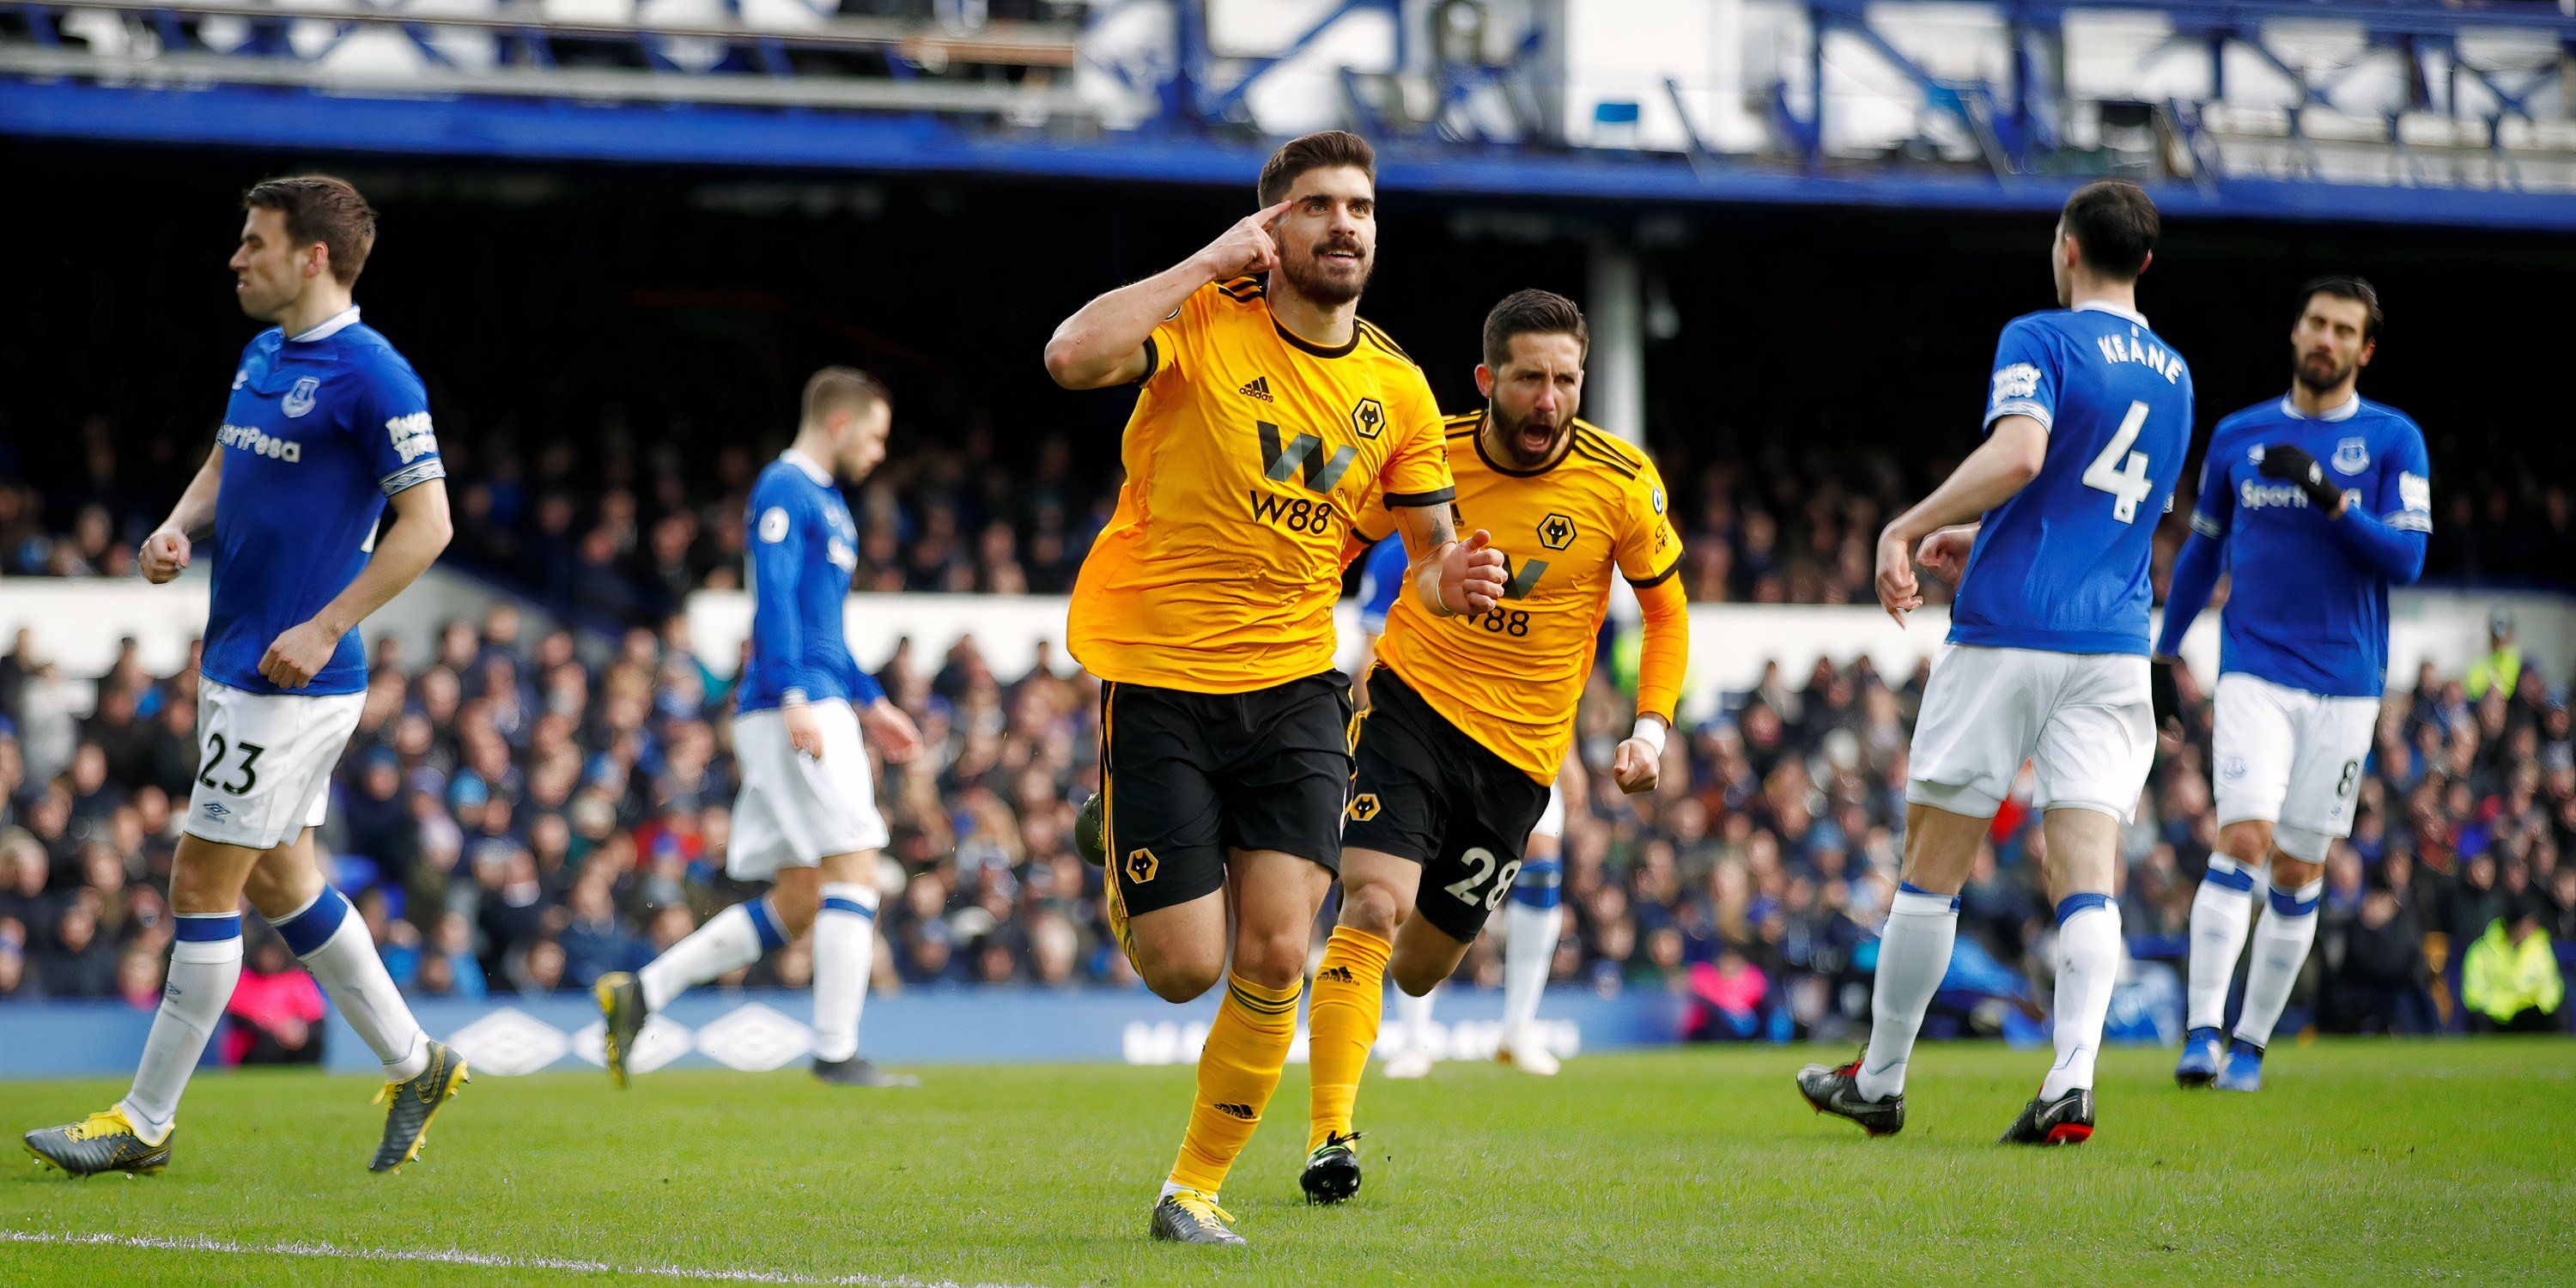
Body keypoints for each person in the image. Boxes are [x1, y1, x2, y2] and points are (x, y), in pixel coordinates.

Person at [1044, 131, 1504, 1245]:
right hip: (1161, 678)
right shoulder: (1203, 321)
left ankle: (1191, 1191)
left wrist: (1452, 581)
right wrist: (1208, 261)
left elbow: (1429, 559)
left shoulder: (1397, 387)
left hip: (1297, 687)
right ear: (1273, 225)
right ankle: (1118, 826)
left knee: (1276, 949)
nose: (1345, 224)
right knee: (1182, 968)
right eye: (1319, 206)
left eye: (1361, 208)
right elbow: (1069, 356)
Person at [26, 176, 465, 1177]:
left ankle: (144, 1121)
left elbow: (430, 524)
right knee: (280, 875)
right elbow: (228, 465)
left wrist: (327, 625)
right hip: (239, 662)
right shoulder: (264, 354)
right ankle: (417, 1061)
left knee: (200, 876)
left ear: (313, 256)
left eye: (255, 243)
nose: (237, 258)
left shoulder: (376, 376)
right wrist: (179, 525)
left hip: (291, 681)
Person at [1795, 179, 2190, 1146]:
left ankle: (1880, 1079)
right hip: (2115, 643)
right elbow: (2109, 509)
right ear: (2145, 262)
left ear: (2067, 247)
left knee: (1933, 863)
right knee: (2087, 868)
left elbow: (2021, 455)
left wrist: (1909, 522)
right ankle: (2073, 1080)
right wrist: (1989, 536)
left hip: (2012, 628)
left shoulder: (2042, 337)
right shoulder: (2176, 375)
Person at [1302, 289, 1686, 1206]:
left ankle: (1438, 1017)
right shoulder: (1425, 452)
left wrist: (1649, 729)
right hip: (1411, 711)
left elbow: (1666, 612)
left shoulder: (1621, 481)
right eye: (1528, 379)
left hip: (1519, 764)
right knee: (1372, 905)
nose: (1549, 400)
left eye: (1566, 381)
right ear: (1486, 379)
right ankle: (1329, 1137)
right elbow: (1335, 546)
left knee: (1421, 969)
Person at [595, 368, 925, 1088]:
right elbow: (771, 598)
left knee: (801, 897)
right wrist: (796, 693)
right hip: (791, 705)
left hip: (810, 698)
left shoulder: (828, 501)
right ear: (839, 423)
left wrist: (872, 702)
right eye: (875, 437)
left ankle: (640, 993)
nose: (879, 453)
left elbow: (822, 624)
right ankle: (836, 1054)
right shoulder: (785, 487)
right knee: (858, 864)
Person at [2154, 276, 2433, 1091]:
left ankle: (2250, 1045)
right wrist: (2164, 653)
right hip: (2256, 670)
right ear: (2296, 330)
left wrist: (2329, 497)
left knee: (2300, 868)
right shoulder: (2239, 435)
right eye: (2317, 322)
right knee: (2243, 837)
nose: (2326, 338)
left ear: (2364, 350)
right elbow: (2203, 549)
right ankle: (2202, 1034)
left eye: (2344, 330)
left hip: (2346, 684)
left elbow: (2406, 559)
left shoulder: (2393, 440)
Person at [1352, 532, 1582, 1083]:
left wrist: (1568, 752)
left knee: (1542, 857)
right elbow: (1369, 656)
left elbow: (1549, 662)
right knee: (1411, 872)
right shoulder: (1401, 550)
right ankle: (1413, 1037)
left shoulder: (1533, 541)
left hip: (1520, 746)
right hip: (1429, 738)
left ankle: (1518, 1029)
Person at [2461, 904, 2564, 1033]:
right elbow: (2474, 991)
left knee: (2557, 1019)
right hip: (2494, 1018)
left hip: (2533, 1015)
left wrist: (2542, 1007)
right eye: (2528, 922)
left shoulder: (2539, 946)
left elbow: (2550, 984)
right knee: (2478, 1023)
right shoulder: (2481, 950)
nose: (2532, 927)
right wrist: (2498, 1008)